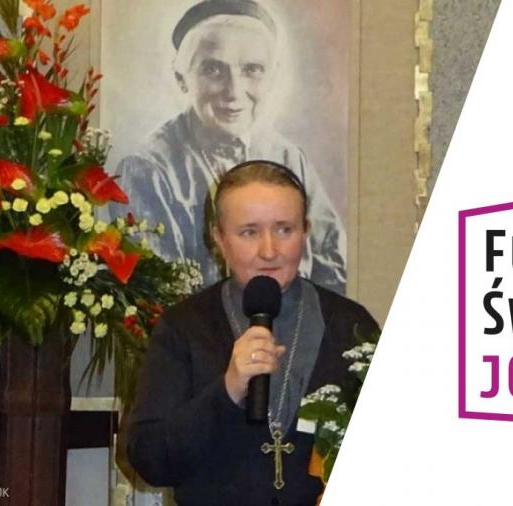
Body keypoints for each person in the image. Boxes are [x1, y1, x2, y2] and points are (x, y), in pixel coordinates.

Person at [126, 160, 378, 505]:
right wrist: (227, 389)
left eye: (284, 229)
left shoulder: (351, 324)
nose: (269, 250)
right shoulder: (184, 327)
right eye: (249, 232)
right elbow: (151, 459)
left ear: (305, 231)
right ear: (219, 238)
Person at [116, 0, 347, 293]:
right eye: (213, 69)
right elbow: (157, 298)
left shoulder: (288, 158)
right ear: (182, 79)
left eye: (252, 69)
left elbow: (334, 272)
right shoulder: (146, 171)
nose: (234, 92)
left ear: (272, 77)